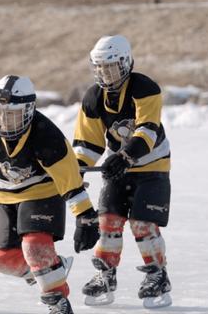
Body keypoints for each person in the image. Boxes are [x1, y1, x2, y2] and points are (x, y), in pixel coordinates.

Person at [0, 75, 100, 314]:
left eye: (12, 115)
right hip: (4, 194)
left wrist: (85, 216)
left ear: (29, 111)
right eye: (0, 114)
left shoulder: (47, 138)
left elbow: (70, 181)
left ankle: (57, 300)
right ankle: (51, 267)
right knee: (1, 259)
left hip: (41, 192)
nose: (5, 122)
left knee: (34, 246)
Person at [72, 35, 173, 309]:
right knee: (108, 220)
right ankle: (105, 274)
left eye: (111, 67)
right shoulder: (93, 97)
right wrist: (75, 170)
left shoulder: (144, 88)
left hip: (152, 164)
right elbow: (88, 143)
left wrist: (125, 155)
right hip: (119, 168)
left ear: (126, 63)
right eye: (100, 67)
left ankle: (157, 275)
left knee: (142, 224)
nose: (106, 73)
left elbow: (147, 130)